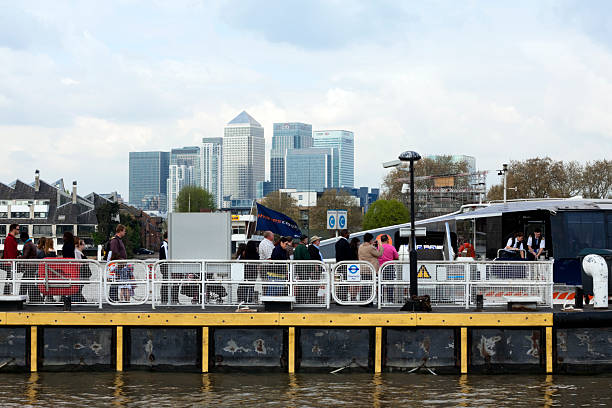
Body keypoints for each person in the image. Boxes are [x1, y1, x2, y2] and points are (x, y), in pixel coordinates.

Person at [18, 231, 42, 303]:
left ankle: (22, 299)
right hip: (33, 266)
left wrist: (18, 257)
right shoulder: (32, 244)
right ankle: (33, 298)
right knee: (29, 283)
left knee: (24, 284)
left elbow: (25, 256)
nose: (21, 240)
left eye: (21, 238)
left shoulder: (28, 244)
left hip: (29, 266)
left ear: (23, 238)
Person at [108, 225, 128, 302]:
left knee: (116, 281)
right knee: (114, 281)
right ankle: (112, 297)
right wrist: (120, 260)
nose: (125, 232)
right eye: (124, 231)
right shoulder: (115, 240)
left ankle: (114, 297)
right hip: (116, 264)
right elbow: (114, 252)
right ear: (120, 231)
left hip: (119, 264)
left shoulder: (118, 240)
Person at [378, 235, 399, 303]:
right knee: (390, 284)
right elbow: (396, 257)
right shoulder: (391, 247)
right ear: (387, 240)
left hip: (380, 267)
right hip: (389, 267)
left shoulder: (378, 247)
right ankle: (390, 300)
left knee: (380, 284)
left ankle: (380, 300)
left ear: (381, 240)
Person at [159, 231, 178, 305]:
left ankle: (173, 299)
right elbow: (167, 256)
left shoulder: (166, 244)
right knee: (166, 282)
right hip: (166, 266)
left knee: (171, 281)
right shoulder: (164, 245)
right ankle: (166, 299)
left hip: (167, 265)